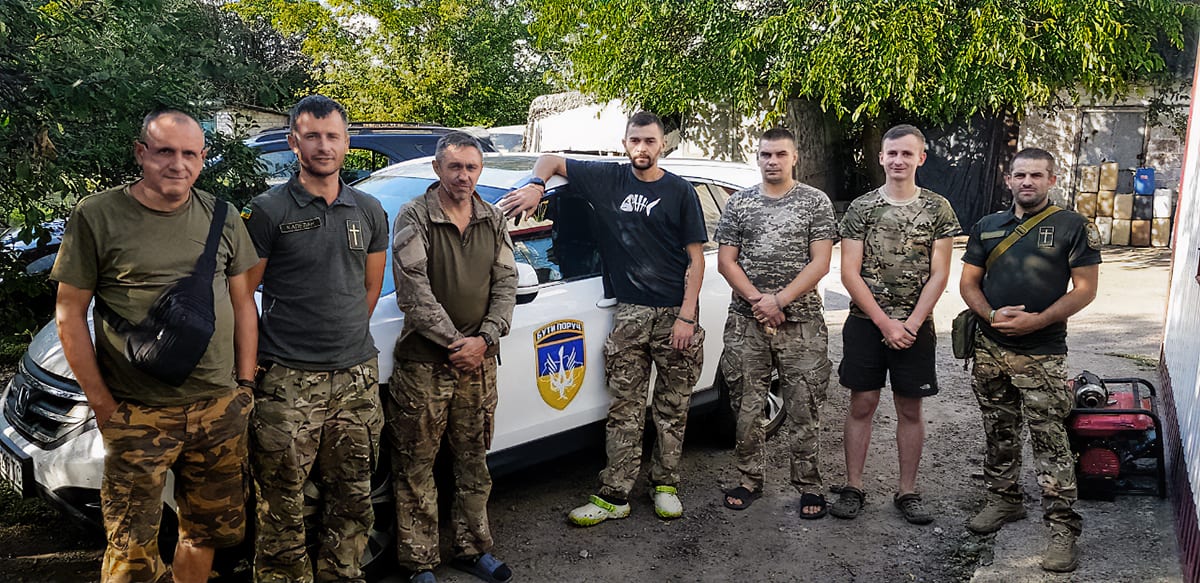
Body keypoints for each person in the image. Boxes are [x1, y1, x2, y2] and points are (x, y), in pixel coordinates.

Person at [52, 110, 259, 583]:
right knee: (130, 550)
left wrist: (244, 386)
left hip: (218, 410)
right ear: (141, 153)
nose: (177, 164)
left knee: (204, 534)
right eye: (165, 151)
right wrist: (103, 406)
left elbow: (244, 302)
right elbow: (69, 312)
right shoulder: (98, 215)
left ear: (204, 159)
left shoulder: (222, 216)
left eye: (190, 153)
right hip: (137, 412)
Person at [498, 112, 707, 525]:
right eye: (635, 140)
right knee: (624, 407)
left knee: (671, 406)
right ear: (624, 142)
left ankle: (665, 485)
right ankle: (615, 495)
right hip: (628, 312)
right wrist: (536, 186)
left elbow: (696, 260)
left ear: (662, 144)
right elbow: (552, 159)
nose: (642, 148)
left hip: (675, 313)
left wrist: (686, 316)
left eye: (650, 141)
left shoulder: (680, 191)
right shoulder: (608, 179)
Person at [241, 95, 388, 582]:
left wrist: (341, 338)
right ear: (293, 142)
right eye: (312, 135)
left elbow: (369, 288)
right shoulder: (268, 210)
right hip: (287, 381)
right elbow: (242, 293)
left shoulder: (368, 209)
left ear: (347, 144)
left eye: (332, 136)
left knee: (353, 501)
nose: (323, 146)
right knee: (282, 508)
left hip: (356, 380)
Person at [960, 147, 1100, 573]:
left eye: (1037, 175)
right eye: (1020, 175)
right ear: (1008, 179)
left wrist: (1037, 321)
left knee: (1050, 442)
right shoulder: (987, 227)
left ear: (1051, 180)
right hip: (989, 349)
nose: (1027, 182)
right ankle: (1004, 500)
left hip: (1042, 353)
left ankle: (1061, 530)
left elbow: (1085, 289)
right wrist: (989, 315)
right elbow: (968, 282)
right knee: (998, 431)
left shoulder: (1073, 226)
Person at [387, 131, 517, 583]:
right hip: (425, 365)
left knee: (473, 459)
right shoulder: (415, 216)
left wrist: (485, 338)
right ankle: (419, 562)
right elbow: (413, 291)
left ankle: (472, 547)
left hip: (479, 363)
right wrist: (455, 343)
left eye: (472, 167)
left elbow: (506, 283)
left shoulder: (492, 218)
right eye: (455, 167)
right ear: (438, 169)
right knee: (416, 464)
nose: (464, 176)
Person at [830, 124, 960, 525]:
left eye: (907, 154)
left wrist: (912, 323)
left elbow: (939, 274)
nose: (898, 160)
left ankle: (907, 491)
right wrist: (886, 323)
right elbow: (849, 273)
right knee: (863, 404)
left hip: (915, 326)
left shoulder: (938, 208)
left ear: (921, 158)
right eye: (892, 153)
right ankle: (853, 486)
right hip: (867, 324)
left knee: (910, 408)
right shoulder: (862, 208)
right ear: (881, 158)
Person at [713, 128, 837, 517]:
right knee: (747, 407)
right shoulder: (740, 204)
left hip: (800, 323)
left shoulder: (815, 202)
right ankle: (750, 479)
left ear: (794, 157)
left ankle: (809, 486)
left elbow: (821, 262)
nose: (773, 161)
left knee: (804, 407)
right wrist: (759, 302)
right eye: (766, 154)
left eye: (780, 154)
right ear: (758, 157)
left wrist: (780, 300)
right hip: (746, 323)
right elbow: (725, 261)